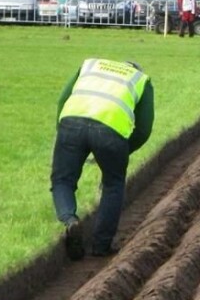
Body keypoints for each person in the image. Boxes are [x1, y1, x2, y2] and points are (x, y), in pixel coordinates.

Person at [50, 58, 154, 260]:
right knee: (113, 184)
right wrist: (125, 150)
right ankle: (101, 245)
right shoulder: (141, 79)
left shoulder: (90, 65)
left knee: (63, 180)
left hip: (71, 123)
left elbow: (63, 99)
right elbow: (143, 129)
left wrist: (62, 132)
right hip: (111, 132)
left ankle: (70, 220)